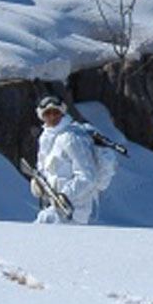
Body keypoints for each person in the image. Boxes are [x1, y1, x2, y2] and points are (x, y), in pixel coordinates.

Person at [30, 94, 107, 225]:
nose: (52, 117)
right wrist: (38, 184)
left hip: (74, 211)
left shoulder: (71, 138)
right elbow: (45, 170)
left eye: (56, 112)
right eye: (47, 113)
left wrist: (65, 196)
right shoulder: (45, 138)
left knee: (39, 230)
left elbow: (88, 176)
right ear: (41, 116)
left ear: (62, 113)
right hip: (52, 207)